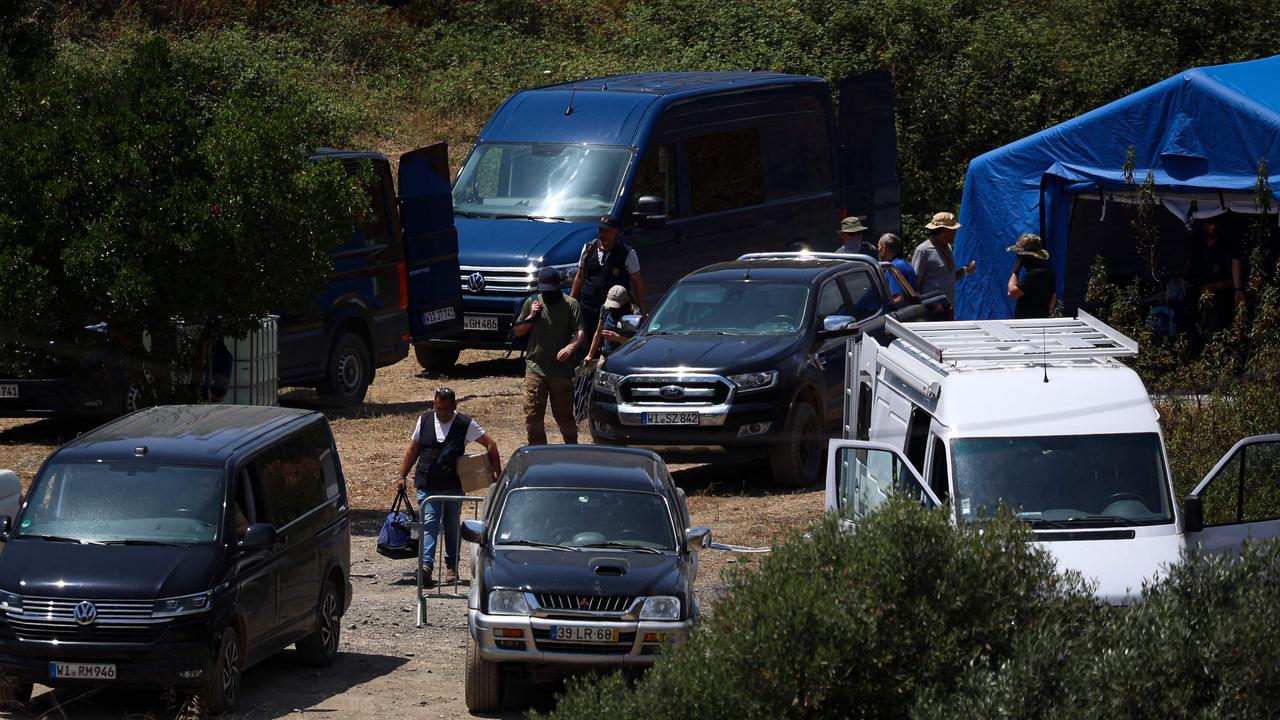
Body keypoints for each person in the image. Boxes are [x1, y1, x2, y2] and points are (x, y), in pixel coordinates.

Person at [397, 388, 501, 585]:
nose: (442, 413)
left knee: (452, 526)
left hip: (453, 485)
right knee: (429, 524)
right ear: (434, 405)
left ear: (454, 406)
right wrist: (401, 475)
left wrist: (496, 470)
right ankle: (426, 567)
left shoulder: (465, 423)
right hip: (427, 484)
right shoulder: (424, 420)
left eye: (446, 409)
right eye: (439, 408)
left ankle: (452, 567)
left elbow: (490, 443)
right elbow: (413, 449)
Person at [514, 266, 585, 444]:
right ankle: (538, 451)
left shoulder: (570, 304)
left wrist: (570, 348)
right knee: (532, 415)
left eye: (550, 291)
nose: (547, 294)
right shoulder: (532, 303)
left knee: (564, 416)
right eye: (544, 291)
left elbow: (580, 332)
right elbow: (518, 332)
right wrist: (531, 316)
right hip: (535, 368)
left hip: (561, 371)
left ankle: (571, 448)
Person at [571, 216, 646, 335]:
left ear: (615, 231)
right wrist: (572, 302)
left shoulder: (627, 253)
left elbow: (637, 282)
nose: (602, 234)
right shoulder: (588, 248)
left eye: (606, 231)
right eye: (600, 230)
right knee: (588, 338)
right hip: (589, 307)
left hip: (614, 309)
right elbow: (579, 277)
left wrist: (642, 311)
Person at [912, 212, 975, 315]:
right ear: (943, 230)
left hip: (947, 307)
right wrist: (921, 309)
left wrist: (965, 271)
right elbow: (915, 284)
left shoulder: (947, 248)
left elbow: (949, 277)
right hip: (931, 310)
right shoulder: (923, 250)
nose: (955, 233)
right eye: (953, 230)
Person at [1189, 220, 1244, 333]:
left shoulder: (1225, 249)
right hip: (1198, 299)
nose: (1211, 229)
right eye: (1208, 226)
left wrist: (1215, 286)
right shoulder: (1198, 246)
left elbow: (1234, 279)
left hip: (1219, 300)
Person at [1005, 233, 1057, 319]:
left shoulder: (1034, 274)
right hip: (1040, 323)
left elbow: (1011, 293)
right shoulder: (1048, 271)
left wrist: (1015, 271)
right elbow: (1053, 299)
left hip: (1027, 325)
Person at [583, 285, 636, 365]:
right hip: (606, 356)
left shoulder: (634, 314)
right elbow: (598, 332)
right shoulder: (606, 309)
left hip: (625, 357)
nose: (612, 308)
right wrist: (590, 355)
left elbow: (636, 344)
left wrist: (618, 338)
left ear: (625, 302)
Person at [876, 233, 917, 304]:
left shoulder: (892, 268)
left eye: (879, 246)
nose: (878, 249)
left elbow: (898, 299)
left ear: (884, 248)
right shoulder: (905, 263)